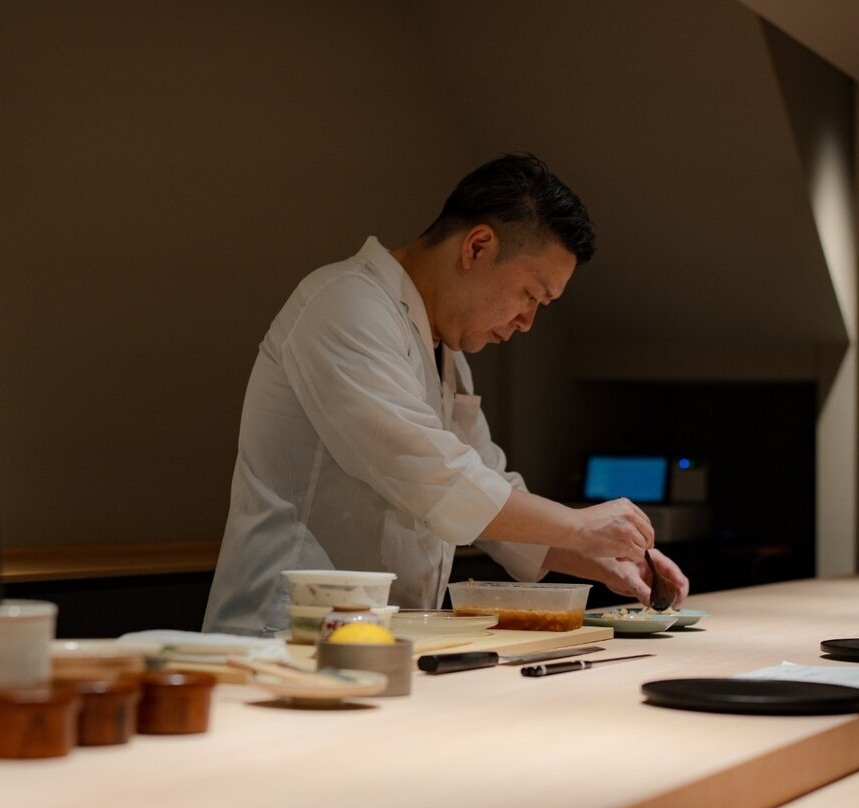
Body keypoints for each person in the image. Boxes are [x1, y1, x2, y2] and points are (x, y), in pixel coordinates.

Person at [203, 154, 688, 636]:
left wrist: (602, 558)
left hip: (380, 636)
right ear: (477, 246)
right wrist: (580, 527)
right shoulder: (344, 304)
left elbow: (487, 488)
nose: (527, 322)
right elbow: (434, 477)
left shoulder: (445, 351)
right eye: (530, 295)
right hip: (283, 634)